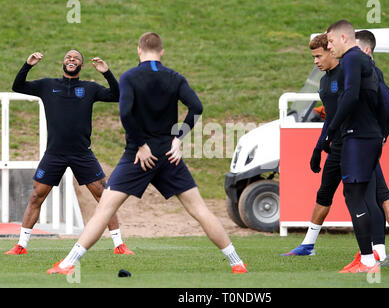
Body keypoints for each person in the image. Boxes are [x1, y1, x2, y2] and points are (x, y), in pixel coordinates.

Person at [46, 32, 247, 275]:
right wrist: (178, 139)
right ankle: (237, 262)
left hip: (137, 155)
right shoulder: (175, 77)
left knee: (104, 210)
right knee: (200, 210)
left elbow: (126, 114)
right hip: (168, 155)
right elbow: (196, 107)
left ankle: (68, 264)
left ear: (139, 51)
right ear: (161, 52)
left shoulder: (130, 77)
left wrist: (141, 145)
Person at [5, 50, 134, 255]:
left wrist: (106, 72)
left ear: (81, 66)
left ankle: (119, 245)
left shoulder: (89, 88)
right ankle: (21, 245)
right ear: (63, 63)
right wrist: (28, 65)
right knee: (36, 196)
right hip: (54, 153)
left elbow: (116, 95)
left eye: (75, 58)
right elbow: (17, 86)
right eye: (67, 57)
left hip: (82, 153)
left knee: (104, 196)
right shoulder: (47, 85)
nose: (71, 59)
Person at [280, 34, 385, 264]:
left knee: (367, 197)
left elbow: (376, 104)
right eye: (313, 57)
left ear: (331, 51)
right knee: (324, 193)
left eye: (319, 56)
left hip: (358, 143)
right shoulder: (324, 81)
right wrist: (320, 146)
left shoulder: (349, 74)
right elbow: (330, 117)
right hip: (338, 145)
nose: (316, 61)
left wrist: (380, 136)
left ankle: (378, 253)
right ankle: (308, 244)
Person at [323, 20, 384, 273]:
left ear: (344, 38)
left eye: (330, 41)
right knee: (366, 195)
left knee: (355, 196)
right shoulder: (366, 63)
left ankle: (369, 261)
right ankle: (370, 256)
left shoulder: (350, 60)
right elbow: (388, 100)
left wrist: (332, 130)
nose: (329, 46)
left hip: (357, 137)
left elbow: (350, 95)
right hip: (368, 136)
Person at [355, 30, 389, 258]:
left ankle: (380, 250)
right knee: (380, 193)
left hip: (366, 141)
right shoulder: (367, 71)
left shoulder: (370, 72)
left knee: (376, 195)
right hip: (366, 140)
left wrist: (381, 134)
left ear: (367, 50)